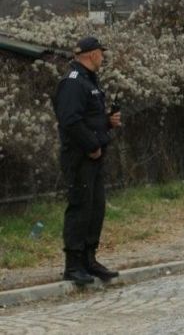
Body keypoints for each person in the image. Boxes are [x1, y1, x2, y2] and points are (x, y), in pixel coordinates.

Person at [53, 37, 121, 285]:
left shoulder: (88, 81)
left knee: (95, 208)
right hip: (79, 156)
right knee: (80, 208)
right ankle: (73, 265)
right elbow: (70, 121)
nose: (103, 58)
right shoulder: (73, 83)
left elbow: (89, 119)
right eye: (101, 54)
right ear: (92, 54)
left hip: (94, 156)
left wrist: (107, 122)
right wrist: (92, 146)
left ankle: (89, 260)